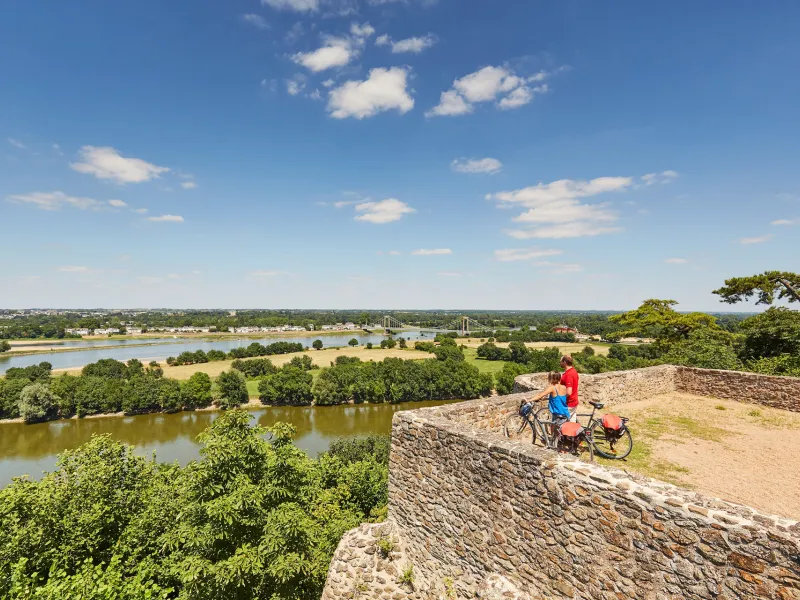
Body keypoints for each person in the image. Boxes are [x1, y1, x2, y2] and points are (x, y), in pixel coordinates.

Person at [533, 371, 570, 436]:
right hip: (566, 413)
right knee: (559, 433)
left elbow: (539, 395)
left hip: (557, 414)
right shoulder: (564, 387)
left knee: (554, 431)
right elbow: (559, 398)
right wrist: (549, 398)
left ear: (551, 379)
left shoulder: (552, 388)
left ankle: (552, 443)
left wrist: (528, 400)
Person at [560, 355, 580, 422]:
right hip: (573, 401)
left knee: (563, 423)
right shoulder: (574, 371)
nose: (560, 362)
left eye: (561, 361)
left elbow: (568, 392)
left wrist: (560, 397)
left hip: (569, 403)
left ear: (565, 362)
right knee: (572, 422)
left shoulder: (569, 374)